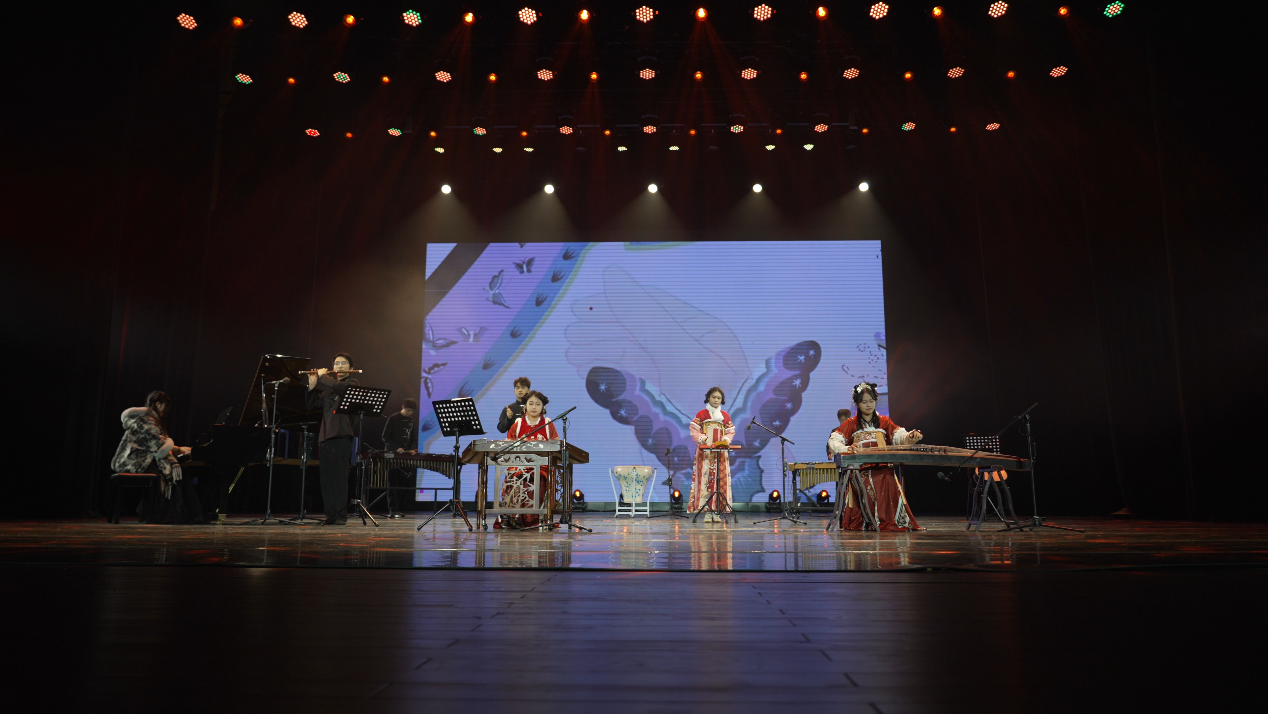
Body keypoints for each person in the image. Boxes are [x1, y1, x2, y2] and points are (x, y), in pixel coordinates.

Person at [827, 382, 923, 531]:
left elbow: (899, 435)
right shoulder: (851, 424)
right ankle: (872, 521)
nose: (868, 405)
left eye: (871, 401)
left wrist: (910, 437)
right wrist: (846, 448)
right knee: (870, 480)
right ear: (857, 404)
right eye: (864, 402)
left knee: (888, 477)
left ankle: (889, 521)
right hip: (861, 470)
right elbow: (834, 440)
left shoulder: (884, 421)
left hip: (883, 467)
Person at [110, 390, 203, 523]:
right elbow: (160, 445)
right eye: (165, 406)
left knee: (173, 472)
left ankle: (167, 514)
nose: (165, 412)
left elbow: (157, 444)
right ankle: (168, 516)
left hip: (139, 459)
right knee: (170, 474)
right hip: (132, 462)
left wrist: (177, 448)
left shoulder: (146, 419)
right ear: (158, 404)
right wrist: (179, 448)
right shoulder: (146, 421)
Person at [305, 353, 360, 526]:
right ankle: (330, 515)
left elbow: (341, 388)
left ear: (351, 368)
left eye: (344, 363)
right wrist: (312, 385)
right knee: (326, 479)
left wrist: (323, 377)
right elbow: (311, 405)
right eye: (337, 363)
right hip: (326, 435)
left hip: (341, 434)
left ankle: (340, 516)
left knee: (339, 477)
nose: (340, 366)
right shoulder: (329, 388)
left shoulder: (352, 384)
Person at [497, 390, 558, 529]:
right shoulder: (518, 423)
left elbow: (556, 445)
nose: (534, 407)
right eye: (531, 403)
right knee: (513, 475)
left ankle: (532, 518)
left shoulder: (548, 424)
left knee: (536, 476)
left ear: (543, 407)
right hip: (519, 464)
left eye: (538, 404)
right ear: (525, 406)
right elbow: (508, 443)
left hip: (541, 466)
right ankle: (512, 515)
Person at [688, 387, 735, 523]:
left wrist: (726, 439)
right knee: (705, 481)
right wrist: (702, 438)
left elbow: (730, 432)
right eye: (713, 397)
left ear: (722, 400)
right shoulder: (701, 414)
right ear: (708, 398)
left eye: (718, 398)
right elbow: (694, 430)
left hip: (720, 453)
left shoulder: (725, 416)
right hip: (705, 453)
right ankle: (707, 513)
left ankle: (717, 512)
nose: (716, 400)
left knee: (719, 481)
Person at [380, 398, 418, 518]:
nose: (410, 413)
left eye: (412, 411)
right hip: (392, 455)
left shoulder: (411, 421)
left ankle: (398, 509)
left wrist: (412, 449)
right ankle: (392, 509)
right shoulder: (393, 418)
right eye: (408, 410)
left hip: (404, 456)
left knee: (401, 482)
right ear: (402, 407)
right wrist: (396, 448)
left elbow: (413, 437)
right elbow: (385, 437)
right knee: (392, 482)